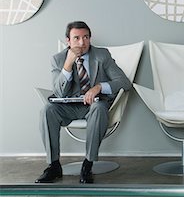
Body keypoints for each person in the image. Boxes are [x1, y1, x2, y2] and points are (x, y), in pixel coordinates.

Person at [35, 21, 131, 184]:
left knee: (99, 107)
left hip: (94, 105)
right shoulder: (58, 60)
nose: (82, 42)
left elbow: (124, 82)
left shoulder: (102, 55)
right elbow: (59, 92)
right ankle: (53, 165)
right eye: (77, 38)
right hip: (69, 107)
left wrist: (99, 87)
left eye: (86, 37)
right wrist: (68, 64)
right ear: (68, 41)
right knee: (47, 110)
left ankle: (88, 163)